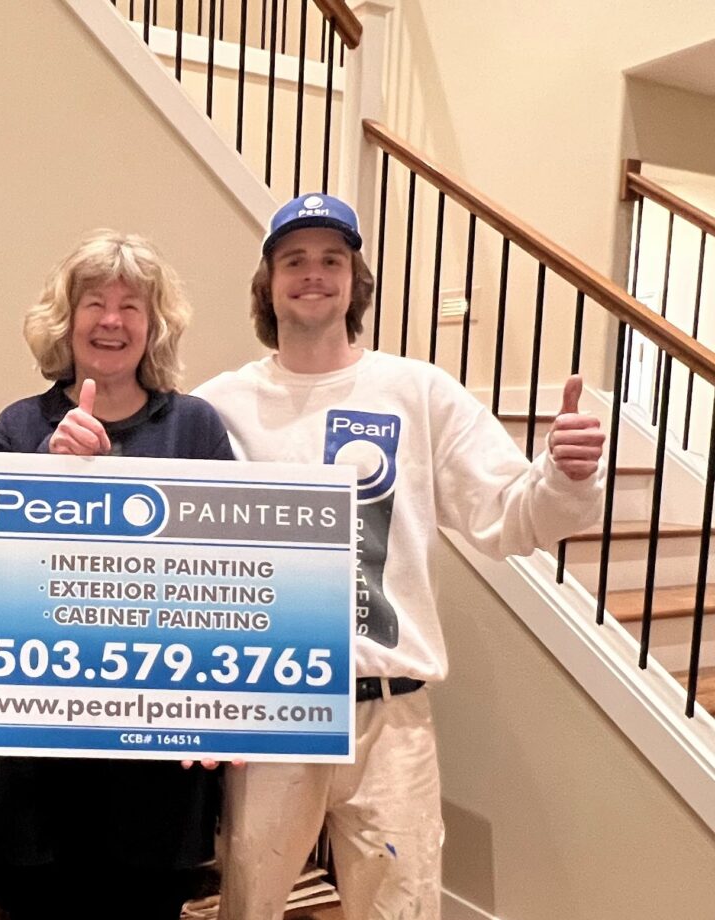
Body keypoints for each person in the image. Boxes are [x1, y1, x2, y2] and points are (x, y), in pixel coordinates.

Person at [191, 193, 607, 920]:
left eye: (331, 260)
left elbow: (508, 518)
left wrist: (564, 478)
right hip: (274, 709)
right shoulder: (221, 405)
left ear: (355, 282)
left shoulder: (418, 392)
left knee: (401, 906)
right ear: (268, 283)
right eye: (294, 261)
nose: (313, 274)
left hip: (392, 714)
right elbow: (159, 524)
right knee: (249, 902)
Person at [0, 230, 235, 920]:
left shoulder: (196, 429)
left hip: (159, 769)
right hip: (41, 768)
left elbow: (226, 586)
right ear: (66, 321)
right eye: (94, 302)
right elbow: (1, 591)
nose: (112, 320)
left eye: (132, 305)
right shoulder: (19, 428)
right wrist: (48, 471)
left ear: (155, 326)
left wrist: (226, 710)